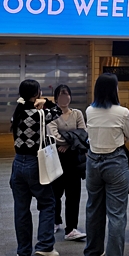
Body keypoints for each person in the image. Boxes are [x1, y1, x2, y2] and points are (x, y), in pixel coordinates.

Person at [84, 73, 129, 256]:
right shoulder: (122, 112)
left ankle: (92, 253)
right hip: (115, 162)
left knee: (93, 208)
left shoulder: (89, 110)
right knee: (116, 214)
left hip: (93, 161)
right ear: (114, 90)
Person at [9, 79, 63, 256]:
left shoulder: (17, 113)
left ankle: (23, 252)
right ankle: (45, 245)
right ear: (36, 93)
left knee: (21, 209)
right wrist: (46, 101)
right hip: (34, 163)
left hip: (17, 164)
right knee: (48, 203)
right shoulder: (38, 115)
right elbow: (57, 111)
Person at [47, 85, 88, 242]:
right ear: (56, 98)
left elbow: (83, 133)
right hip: (56, 159)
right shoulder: (51, 115)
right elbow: (54, 136)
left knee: (73, 195)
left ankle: (71, 228)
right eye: (61, 96)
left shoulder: (77, 113)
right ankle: (55, 220)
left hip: (73, 160)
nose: (64, 99)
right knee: (55, 193)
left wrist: (68, 144)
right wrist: (73, 139)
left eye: (67, 95)